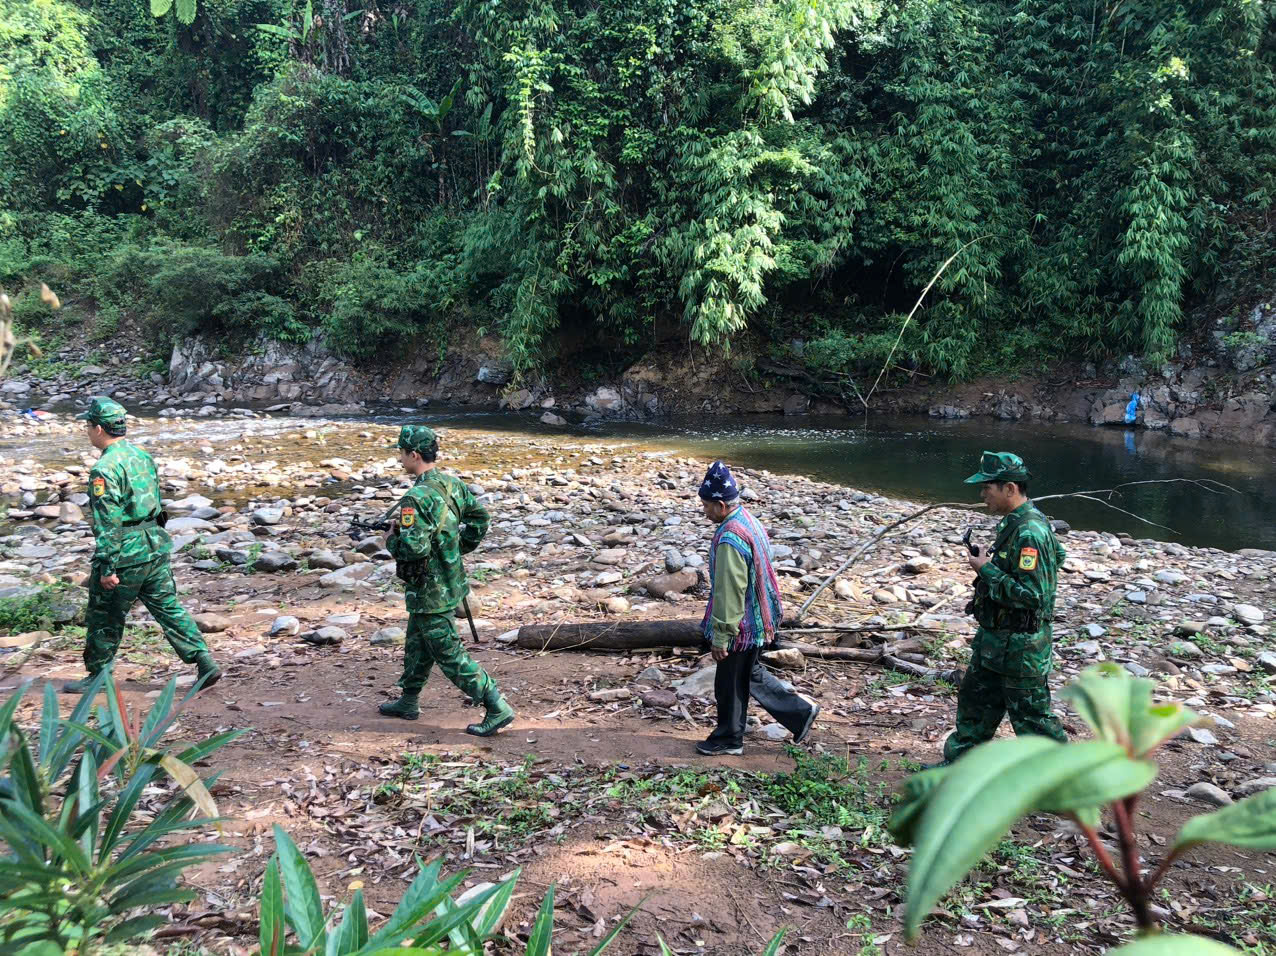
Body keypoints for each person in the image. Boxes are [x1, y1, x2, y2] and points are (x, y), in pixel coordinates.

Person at [62, 398, 220, 693]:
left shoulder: (104, 469)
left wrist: (107, 567)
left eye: (87, 425)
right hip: (154, 546)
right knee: (168, 607)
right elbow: (156, 503)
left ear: (98, 428)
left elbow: (108, 522)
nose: (87, 430)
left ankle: (98, 676)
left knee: (104, 614)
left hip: (126, 553)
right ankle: (203, 659)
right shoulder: (142, 456)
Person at [932, 451, 1068, 766]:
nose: (982, 495)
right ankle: (960, 767)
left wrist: (987, 570)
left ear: (1009, 488)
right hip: (995, 640)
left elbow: (1034, 595)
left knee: (1033, 719)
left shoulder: (1029, 530)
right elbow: (1058, 557)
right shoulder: (1018, 522)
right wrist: (996, 564)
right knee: (975, 703)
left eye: (987, 488)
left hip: (1022, 647)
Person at [379, 425, 514, 736]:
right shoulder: (452, 484)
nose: (400, 458)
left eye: (402, 453)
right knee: (417, 643)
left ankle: (496, 705)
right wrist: (457, 548)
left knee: (448, 653)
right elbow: (480, 519)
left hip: (429, 590)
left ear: (413, 455)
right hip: (451, 583)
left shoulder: (415, 497)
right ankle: (409, 700)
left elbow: (414, 548)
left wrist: (390, 540)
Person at [695, 461, 819, 756]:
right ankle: (800, 713)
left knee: (728, 682)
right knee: (748, 673)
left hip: (742, 624)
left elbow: (730, 590)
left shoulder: (729, 538)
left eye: (706, 506)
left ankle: (729, 738)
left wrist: (723, 636)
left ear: (721, 504)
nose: (704, 512)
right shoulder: (748, 520)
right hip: (762, 615)